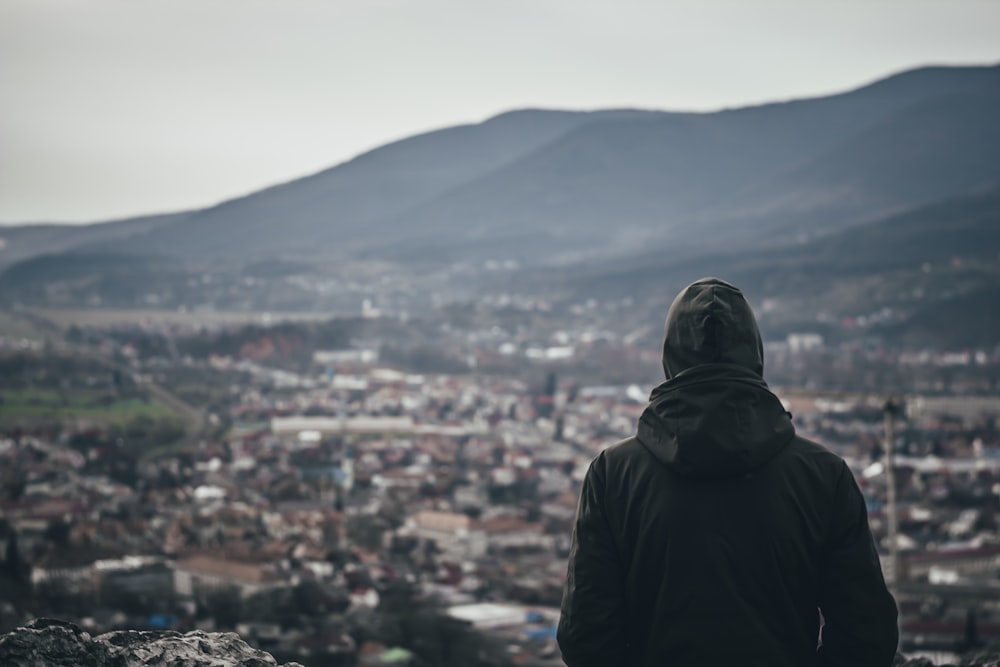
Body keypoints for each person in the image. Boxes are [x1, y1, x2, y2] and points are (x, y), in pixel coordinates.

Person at [557, 277, 898, 667]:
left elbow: (585, 636)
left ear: (671, 355)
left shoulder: (614, 476)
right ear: (755, 353)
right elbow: (867, 634)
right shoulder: (823, 476)